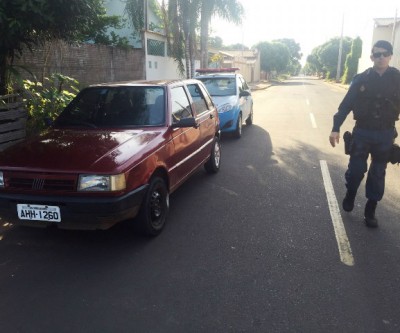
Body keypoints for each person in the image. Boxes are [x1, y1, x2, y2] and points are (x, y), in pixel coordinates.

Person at [329, 40, 400, 228]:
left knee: (378, 173)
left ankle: (370, 209)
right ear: (372, 57)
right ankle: (351, 192)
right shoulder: (361, 78)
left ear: (390, 55)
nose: (381, 57)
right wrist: (335, 127)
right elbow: (345, 105)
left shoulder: (397, 79)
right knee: (355, 171)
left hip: (385, 134)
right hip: (362, 132)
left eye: (385, 53)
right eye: (377, 54)